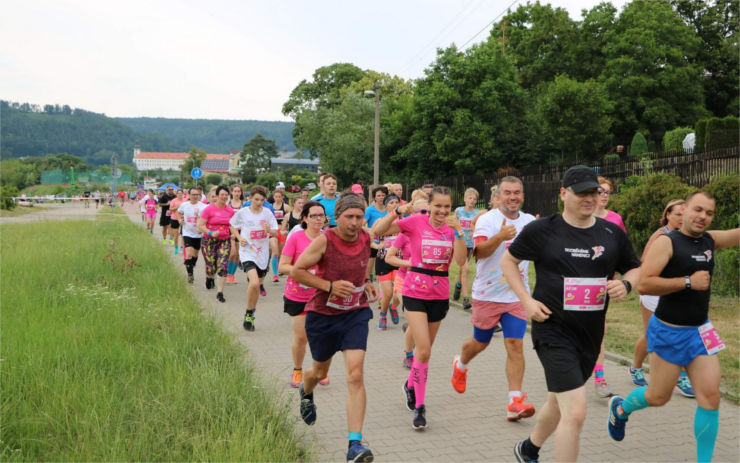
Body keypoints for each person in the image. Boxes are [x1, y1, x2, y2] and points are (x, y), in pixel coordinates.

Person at [502, 165, 640, 463]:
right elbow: (508, 261)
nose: (589, 199)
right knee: (575, 411)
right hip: (552, 329)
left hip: (590, 334)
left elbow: (635, 267)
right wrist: (526, 301)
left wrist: (627, 284)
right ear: (563, 194)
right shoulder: (543, 230)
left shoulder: (611, 233)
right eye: (582, 193)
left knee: (559, 399)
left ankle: (528, 449)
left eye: (594, 192)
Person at [607, 192, 739, 463]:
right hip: (668, 331)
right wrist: (688, 282)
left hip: (700, 331)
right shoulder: (667, 242)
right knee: (658, 396)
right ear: (684, 211)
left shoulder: (709, 241)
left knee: (711, 396)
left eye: (709, 213)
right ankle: (621, 409)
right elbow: (645, 284)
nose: (703, 216)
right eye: (697, 210)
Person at [290, 192, 379, 463]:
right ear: (336, 217)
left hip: (355, 312)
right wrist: (330, 286)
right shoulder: (324, 240)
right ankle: (306, 391)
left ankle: (355, 445)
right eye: (349, 217)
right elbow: (297, 271)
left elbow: (362, 262)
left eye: (359, 217)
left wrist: (368, 280)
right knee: (319, 371)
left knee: (355, 375)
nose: (354, 222)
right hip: (324, 315)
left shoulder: (365, 236)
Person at [372, 186, 467, 430]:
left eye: (447, 207)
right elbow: (377, 232)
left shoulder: (450, 229)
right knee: (423, 351)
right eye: (438, 206)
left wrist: (458, 232)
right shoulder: (415, 222)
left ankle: (410, 385)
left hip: (439, 294)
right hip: (414, 292)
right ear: (430, 205)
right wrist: (395, 213)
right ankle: (420, 408)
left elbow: (460, 261)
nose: (442, 211)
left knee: (425, 351)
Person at [450, 177, 537, 421]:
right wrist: (499, 236)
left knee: (515, 344)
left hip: (516, 294)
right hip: (487, 294)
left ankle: (515, 401)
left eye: (517, 192)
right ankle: (461, 364)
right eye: (507, 192)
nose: (512, 197)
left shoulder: (529, 222)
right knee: (481, 342)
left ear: (522, 195)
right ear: (498, 196)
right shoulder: (487, 220)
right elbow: (479, 252)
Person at [630, 199, 695, 398]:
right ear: (668, 215)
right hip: (654, 293)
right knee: (651, 335)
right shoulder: (661, 235)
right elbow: (644, 263)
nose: (681, 218)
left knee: (679, 333)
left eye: (685, 214)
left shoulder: (687, 237)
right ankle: (636, 367)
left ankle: (681, 376)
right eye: (677, 214)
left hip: (676, 293)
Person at [278, 201, 330, 387]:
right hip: (297, 295)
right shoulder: (296, 238)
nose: (318, 219)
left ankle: (319, 370)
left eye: (321, 215)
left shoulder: (328, 239)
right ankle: (298, 369)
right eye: (313, 215)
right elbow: (282, 266)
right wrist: (302, 273)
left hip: (321, 296)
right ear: (305, 219)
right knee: (302, 336)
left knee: (322, 335)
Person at [384, 198, 429, 369]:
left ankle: (395, 307)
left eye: (428, 211)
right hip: (405, 280)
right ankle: (409, 354)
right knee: (413, 321)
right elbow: (389, 257)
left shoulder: (433, 232)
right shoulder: (405, 233)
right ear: (413, 214)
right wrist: (409, 263)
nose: (426, 215)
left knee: (418, 322)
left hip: (424, 282)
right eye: (422, 212)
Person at [230, 185, 278, 330]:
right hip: (247, 252)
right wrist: (239, 238)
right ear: (250, 198)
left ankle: (251, 310)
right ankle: (249, 314)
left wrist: (269, 230)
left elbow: (276, 232)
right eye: (256, 199)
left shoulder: (267, 213)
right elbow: (232, 225)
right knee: (255, 283)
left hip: (262, 254)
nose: (259, 202)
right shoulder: (243, 212)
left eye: (262, 200)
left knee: (256, 285)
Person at [197, 186, 234, 301]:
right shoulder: (208, 209)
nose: (224, 197)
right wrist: (211, 232)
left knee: (222, 266)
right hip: (208, 241)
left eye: (226, 195)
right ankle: (209, 277)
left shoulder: (230, 211)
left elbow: (232, 226)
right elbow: (200, 225)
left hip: (224, 241)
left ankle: (220, 293)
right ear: (217, 196)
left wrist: (235, 235)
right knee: (211, 267)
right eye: (222, 194)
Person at [374, 194, 400, 330]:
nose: (394, 204)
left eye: (397, 202)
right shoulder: (380, 221)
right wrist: (377, 246)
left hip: (399, 260)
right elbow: (370, 236)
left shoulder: (404, 222)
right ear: (386, 206)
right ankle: (383, 314)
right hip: (383, 260)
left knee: (399, 292)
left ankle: (394, 306)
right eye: (391, 203)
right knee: (388, 293)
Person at [453, 187, 481, 310]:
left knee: (463, 269)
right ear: (465, 199)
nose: (472, 201)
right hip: (460, 244)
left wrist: (474, 232)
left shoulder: (477, 213)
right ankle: (465, 299)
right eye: (470, 198)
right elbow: (453, 224)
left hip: (471, 245)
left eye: (474, 199)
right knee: (466, 269)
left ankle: (458, 285)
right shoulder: (458, 211)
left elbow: (479, 227)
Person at [177, 187, 207, 284]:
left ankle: (191, 265)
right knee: (188, 254)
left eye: (197, 194)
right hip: (187, 232)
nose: (195, 196)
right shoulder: (184, 205)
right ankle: (190, 274)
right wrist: (179, 220)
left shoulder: (203, 206)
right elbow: (178, 212)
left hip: (198, 234)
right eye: (193, 194)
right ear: (189, 195)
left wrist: (202, 227)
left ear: (199, 195)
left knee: (195, 255)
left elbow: (207, 219)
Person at [364, 185, 389, 284]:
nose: (381, 197)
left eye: (383, 195)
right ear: (374, 197)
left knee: (386, 270)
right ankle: (365, 285)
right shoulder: (370, 210)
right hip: (373, 243)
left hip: (387, 244)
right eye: (378, 195)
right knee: (368, 271)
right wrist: (373, 230)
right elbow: (361, 225)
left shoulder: (390, 209)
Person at [269, 189, 291, 283]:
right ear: (273, 197)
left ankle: (280, 268)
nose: (277, 198)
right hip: (273, 231)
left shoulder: (286, 207)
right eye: (276, 197)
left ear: (282, 197)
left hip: (282, 231)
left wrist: (285, 228)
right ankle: (275, 274)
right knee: (275, 252)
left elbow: (290, 219)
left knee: (281, 253)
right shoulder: (270, 207)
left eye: (279, 197)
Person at [226, 184, 246, 285]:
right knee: (232, 253)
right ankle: (227, 274)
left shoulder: (244, 204)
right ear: (231, 192)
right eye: (235, 191)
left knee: (237, 254)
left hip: (241, 231)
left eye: (239, 191)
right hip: (229, 231)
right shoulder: (227, 204)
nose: (237, 193)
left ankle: (232, 275)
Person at [168, 189, 185, 254]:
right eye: (179, 193)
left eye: (181, 193)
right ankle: (176, 247)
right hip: (174, 218)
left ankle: (181, 247)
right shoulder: (173, 201)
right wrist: (176, 207)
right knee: (176, 235)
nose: (180, 194)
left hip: (183, 219)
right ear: (176, 194)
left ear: (183, 194)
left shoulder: (185, 201)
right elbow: (170, 209)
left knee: (183, 235)